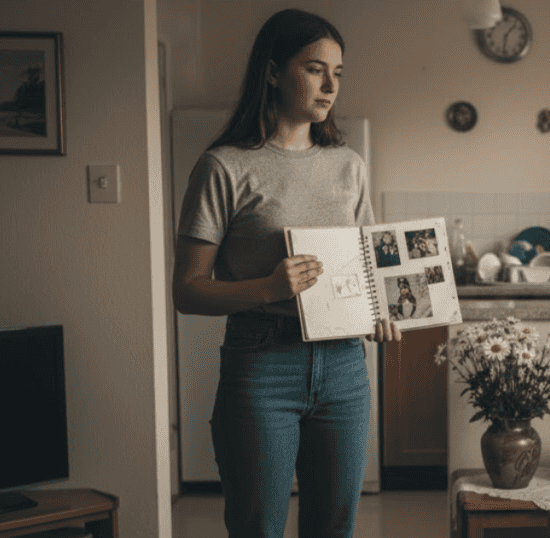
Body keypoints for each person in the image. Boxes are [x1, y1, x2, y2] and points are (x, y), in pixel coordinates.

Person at [171, 9, 400, 538]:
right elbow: (188, 291)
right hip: (262, 365)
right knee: (257, 528)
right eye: (315, 70)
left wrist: (381, 311)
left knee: (334, 528)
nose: (330, 87)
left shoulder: (349, 166)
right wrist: (269, 288)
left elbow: (368, 268)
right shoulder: (223, 166)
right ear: (273, 72)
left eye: (337, 74)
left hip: (345, 366)